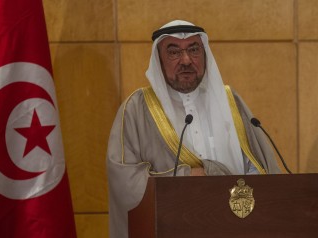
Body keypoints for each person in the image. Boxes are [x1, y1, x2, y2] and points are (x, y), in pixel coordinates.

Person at [106, 19, 281, 238]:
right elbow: (124, 181)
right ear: (158, 60)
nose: (186, 60)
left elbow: (261, 171)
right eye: (174, 52)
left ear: (205, 54)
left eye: (194, 49)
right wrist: (188, 176)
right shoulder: (136, 110)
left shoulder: (230, 102)